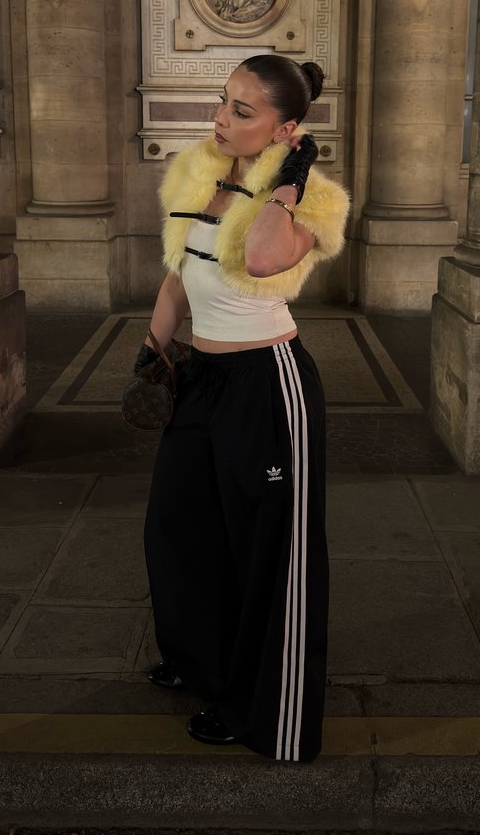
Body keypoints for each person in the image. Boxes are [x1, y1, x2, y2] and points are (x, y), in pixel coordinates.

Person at [137, 53, 349, 763]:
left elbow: (260, 259)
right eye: (222, 102)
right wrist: (153, 350)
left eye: (241, 110)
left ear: (288, 128)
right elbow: (180, 267)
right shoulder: (204, 174)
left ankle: (269, 714)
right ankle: (203, 662)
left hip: (269, 385)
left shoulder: (315, 198)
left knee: (270, 554)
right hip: (203, 382)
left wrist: (286, 179)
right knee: (179, 527)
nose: (220, 118)